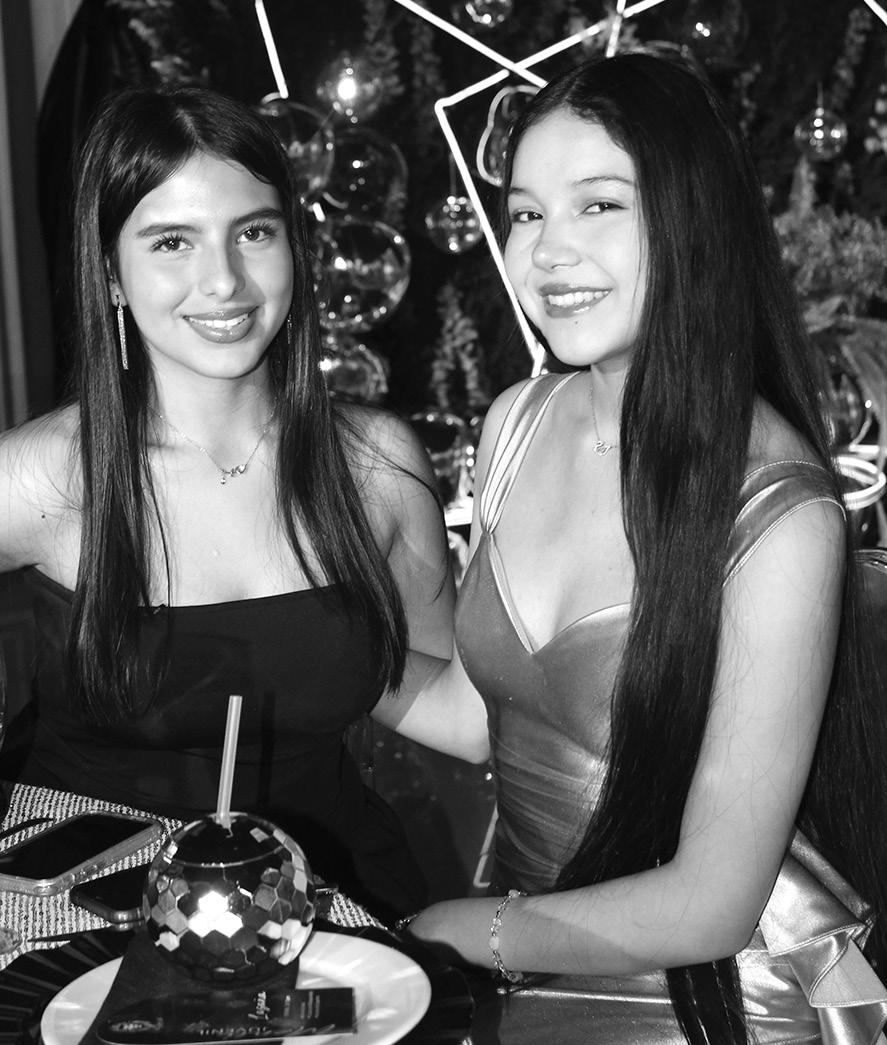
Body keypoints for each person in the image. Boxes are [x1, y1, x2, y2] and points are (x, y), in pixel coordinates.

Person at [0, 86, 454, 923]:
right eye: (171, 242)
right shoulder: (55, 475)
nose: (223, 280)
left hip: (326, 898)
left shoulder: (376, 464)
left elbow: (442, 697)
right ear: (112, 274)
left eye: (254, 232)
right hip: (80, 910)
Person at [376, 53, 887, 1043]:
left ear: (691, 221)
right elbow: (481, 718)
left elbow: (711, 904)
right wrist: (320, 647)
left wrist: (462, 931)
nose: (548, 252)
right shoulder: (514, 423)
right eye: (526, 213)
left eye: (599, 205)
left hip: (707, 997)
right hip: (522, 949)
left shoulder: (776, 511)